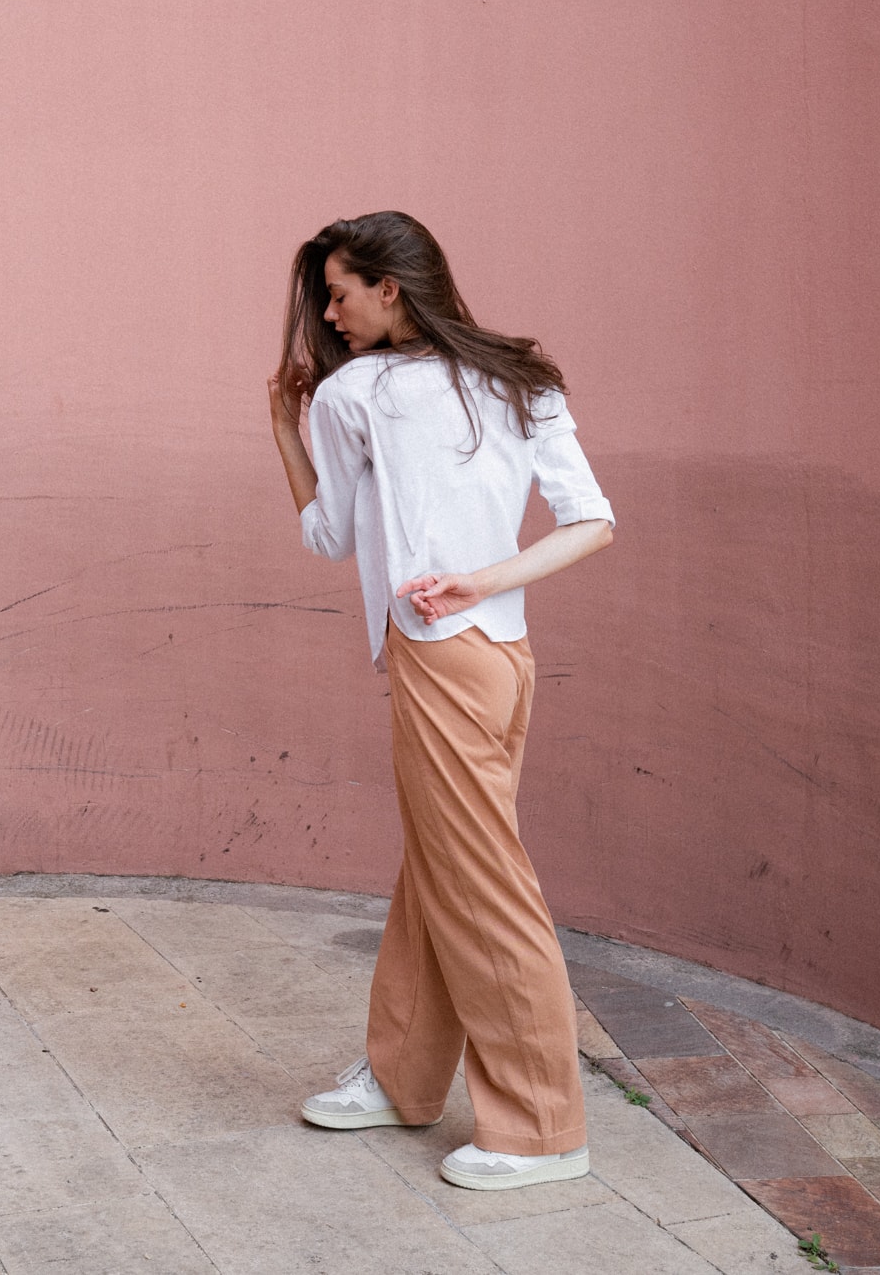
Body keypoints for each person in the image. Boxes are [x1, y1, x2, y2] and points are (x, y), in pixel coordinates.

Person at [266, 211, 616, 1192]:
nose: (329, 316)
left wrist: (284, 423)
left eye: (339, 294)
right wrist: (484, 581)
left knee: (482, 886)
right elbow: (591, 522)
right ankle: (402, 1076)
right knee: (443, 865)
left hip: (436, 660)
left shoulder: (356, 394)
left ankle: (541, 1130)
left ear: (389, 287)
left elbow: (328, 534)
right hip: (504, 656)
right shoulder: (518, 376)